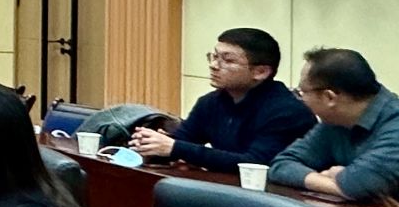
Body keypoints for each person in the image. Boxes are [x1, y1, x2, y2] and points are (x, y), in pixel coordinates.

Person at [129, 28, 314, 173]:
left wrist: (176, 148)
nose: (214, 65)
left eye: (228, 60)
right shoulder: (210, 102)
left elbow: (255, 164)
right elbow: (183, 141)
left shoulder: (286, 111)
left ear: (260, 72)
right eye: (214, 56)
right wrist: (152, 144)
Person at [272, 48, 399, 202]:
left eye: (302, 92)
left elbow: (358, 185)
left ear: (329, 97)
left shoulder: (395, 124)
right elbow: (281, 165)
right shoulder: (335, 121)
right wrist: (333, 180)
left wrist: (349, 183)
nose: (301, 99)